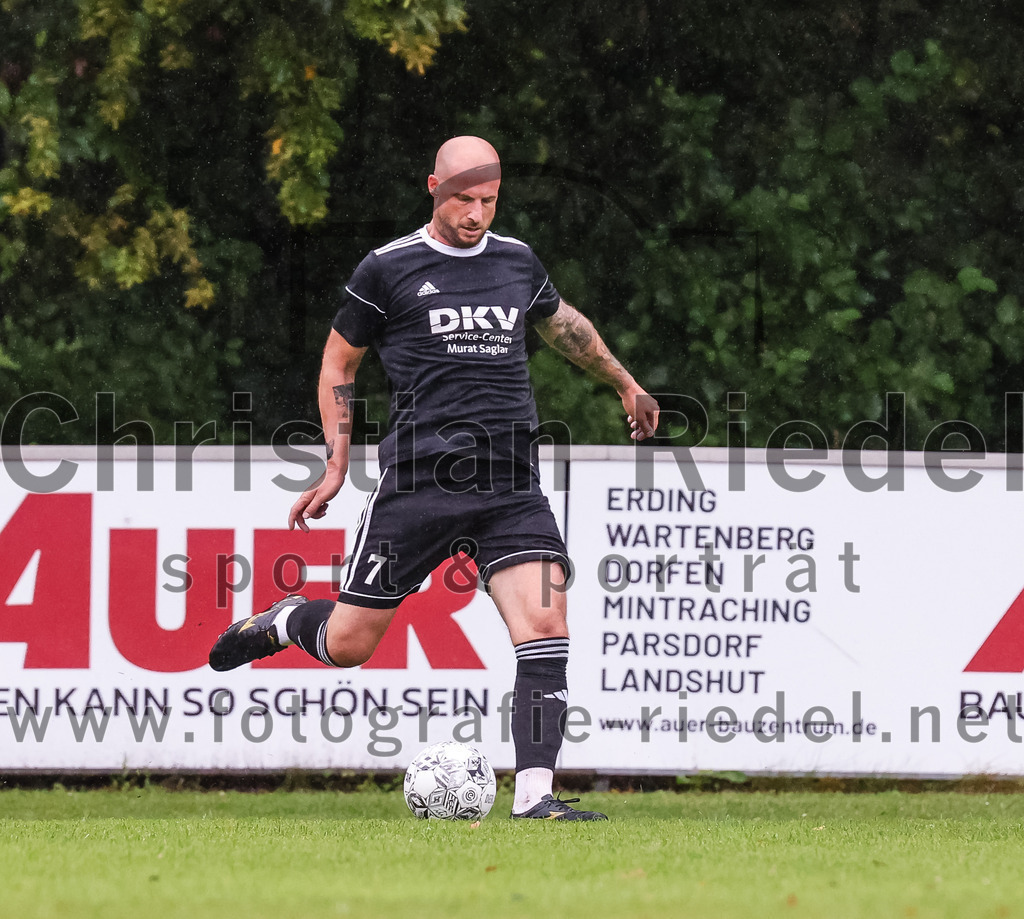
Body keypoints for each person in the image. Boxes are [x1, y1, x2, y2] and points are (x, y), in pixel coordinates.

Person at [210, 136, 659, 820]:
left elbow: (562, 324)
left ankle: (536, 797)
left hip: (510, 483)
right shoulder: (387, 269)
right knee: (350, 645)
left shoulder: (516, 261)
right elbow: (338, 366)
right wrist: (336, 462)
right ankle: (285, 619)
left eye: (488, 200)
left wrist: (624, 382)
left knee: (545, 619)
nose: (477, 214)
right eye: (463, 200)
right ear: (433, 187)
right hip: (418, 483)